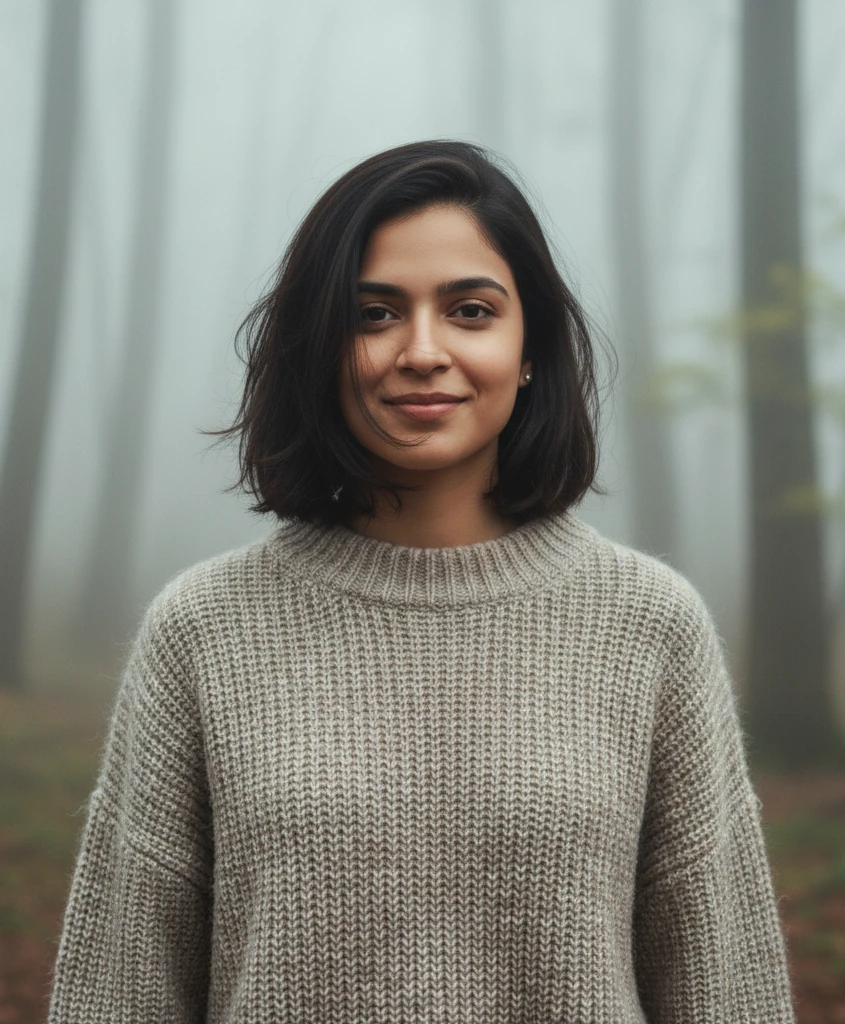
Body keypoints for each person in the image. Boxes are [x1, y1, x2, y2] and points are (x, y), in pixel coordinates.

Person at [46, 139, 796, 1022]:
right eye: (373, 314)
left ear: (529, 350)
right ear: (319, 348)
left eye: (472, 311)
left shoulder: (648, 625)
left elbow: (724, 988)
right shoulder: (204, 630)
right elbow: (119, 989)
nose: (422, 350)